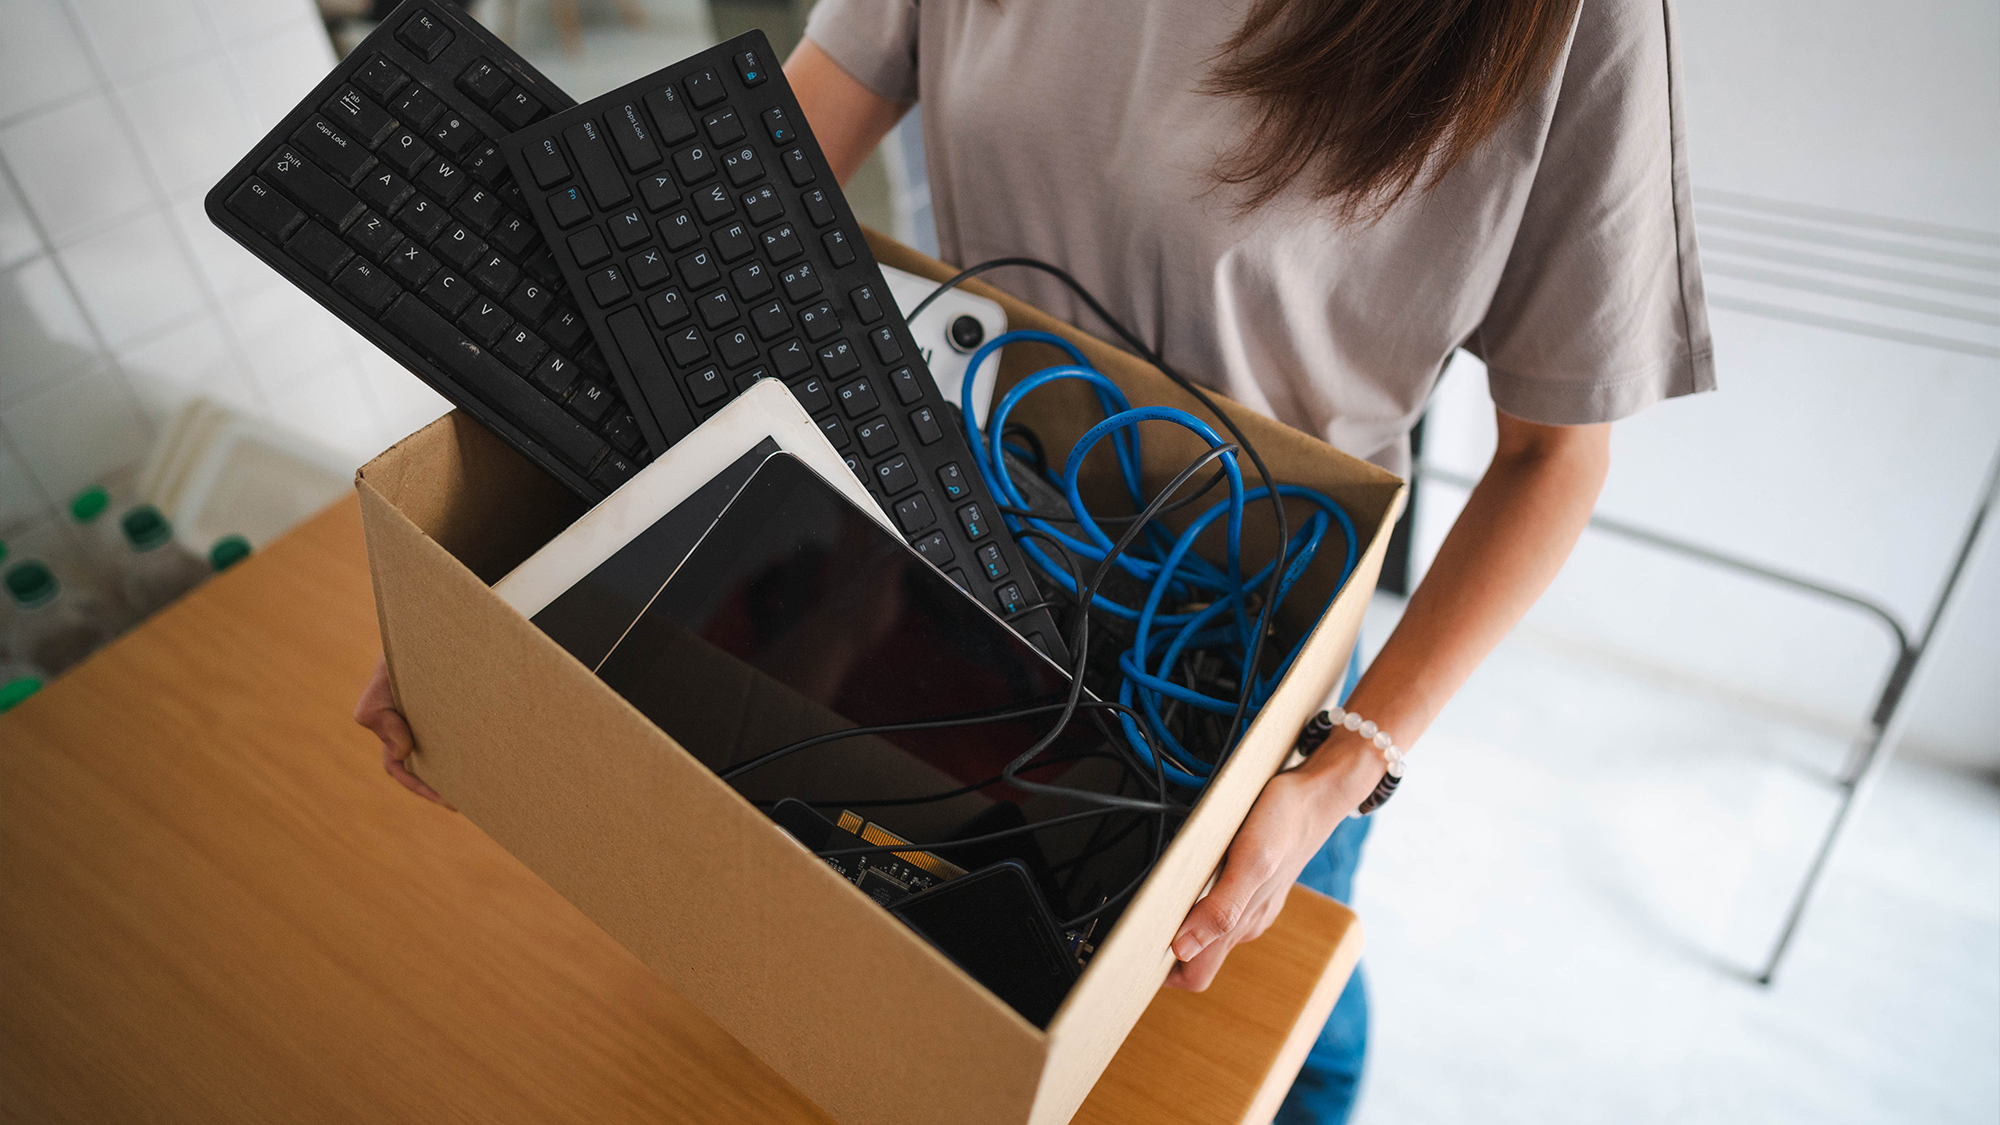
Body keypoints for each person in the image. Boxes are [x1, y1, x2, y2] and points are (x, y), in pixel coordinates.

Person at [358, 1, 1712, 1119]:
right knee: (921, 955)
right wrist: (510, 575)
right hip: (939, 541)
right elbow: (752, 186)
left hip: (1262, 652)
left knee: (1265, 1016)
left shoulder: (1574, 27)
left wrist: (1342, 769)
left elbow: (1554, 457)